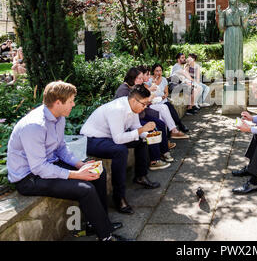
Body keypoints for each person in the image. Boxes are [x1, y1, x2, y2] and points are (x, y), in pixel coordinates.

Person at [6, 81, 129, 241]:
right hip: (29, 178)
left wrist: (80, 165)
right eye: (71, 101)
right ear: (58, 102)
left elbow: (61, 148)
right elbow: (39, 168)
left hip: (47, 165)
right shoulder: (35, 126)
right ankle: (106, 237)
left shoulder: (58, 117)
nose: (73, 104)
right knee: (85, 188)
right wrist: (77, 175)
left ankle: (98, 223)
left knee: (97, 173)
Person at [80, 84, 161, 215]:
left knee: (141, 141)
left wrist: (148, 135)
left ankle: (140, 176)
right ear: (134, 100)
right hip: (92, 140)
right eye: (144, 104)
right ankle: (119, 197)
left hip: (108, 137)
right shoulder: (117, 109)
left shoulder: (133, 107)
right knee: (121, 150)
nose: (145, 107)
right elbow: (118, 139)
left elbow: (136, 127)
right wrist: (142, 130)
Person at [114, 67, 172, 169]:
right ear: (132, 78)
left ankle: (164, 151)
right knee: (152, 130)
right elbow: (129, 111)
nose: (142, 81)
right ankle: (155, 160)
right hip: (130, 120)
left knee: (161, 124)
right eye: (139, 78)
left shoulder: (134, 87)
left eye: (142, 78)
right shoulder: (123, 90)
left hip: (140, 115)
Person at [147, 63, 190, 135]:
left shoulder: (164, 79)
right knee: (168, 106)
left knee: (168, 105)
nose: (158, 73)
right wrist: (152, 84)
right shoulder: (149, 80)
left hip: (163, 100)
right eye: (156, 71)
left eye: (160, 71)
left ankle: (176, 127)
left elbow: (166, 93)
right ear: (153, 72)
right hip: (154, 102)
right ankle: (179, 125)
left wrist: (163, 97)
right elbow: (147, 93)